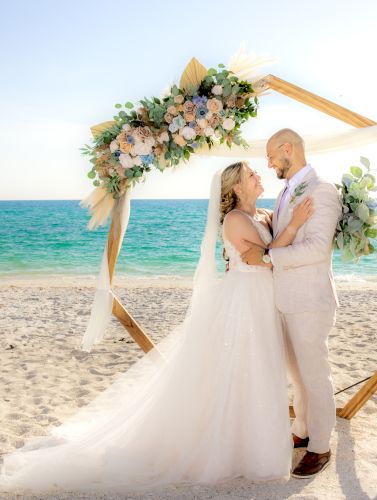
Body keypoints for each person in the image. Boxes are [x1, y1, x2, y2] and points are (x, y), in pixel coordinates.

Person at [0, 161, 313, 495]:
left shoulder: (263, 215)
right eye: (251, 174)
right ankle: (240, 448)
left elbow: (271, 252)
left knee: (262, 367)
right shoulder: (236, 219)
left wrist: (284, 234)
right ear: (236, 187)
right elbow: (268, 255)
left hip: (264, 300)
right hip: (245, 301)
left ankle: (256, 439)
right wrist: (293, 226)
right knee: (247, 366)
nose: (257, 177)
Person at [241, 129, 343, 478]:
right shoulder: (287, 193)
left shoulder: (322, 191)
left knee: (315, 376)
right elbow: (286, 230)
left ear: (288, 149)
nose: (268, 164)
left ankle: (320, 446)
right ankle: (302, 428)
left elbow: (317, 248)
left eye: (271, 156)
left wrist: (269, 258)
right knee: (297, 376)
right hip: (283, 299)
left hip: (309, 300)